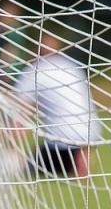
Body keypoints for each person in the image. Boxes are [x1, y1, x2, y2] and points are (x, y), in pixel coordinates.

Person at [12, 31, 98, 178]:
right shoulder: (72, 66)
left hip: (60, 137)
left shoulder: (35, 71)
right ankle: (81, 161)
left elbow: (20, 115)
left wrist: (5, 144)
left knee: (28, 166)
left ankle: (73, 162)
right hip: (91, 131)